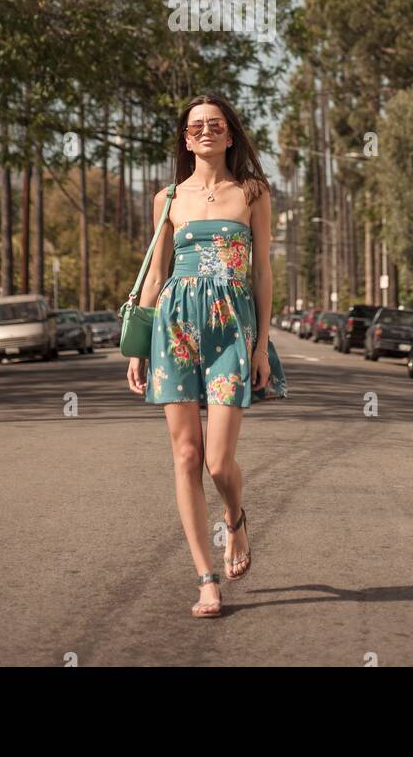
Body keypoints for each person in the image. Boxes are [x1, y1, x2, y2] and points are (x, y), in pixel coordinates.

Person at [126, 92, 288, 617]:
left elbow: (261, 272)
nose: (204, 132)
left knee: (219, 462)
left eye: (214, 124)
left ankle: (235, 520)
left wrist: (262, 344)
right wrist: (137, 347)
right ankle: (205, 578)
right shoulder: (167, 198)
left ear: (230, 133)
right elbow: (155, 273)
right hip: (174, 329)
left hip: (230, 329)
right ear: (184, 136)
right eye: (195, 125)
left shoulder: (253, 192)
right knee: (186, 456)